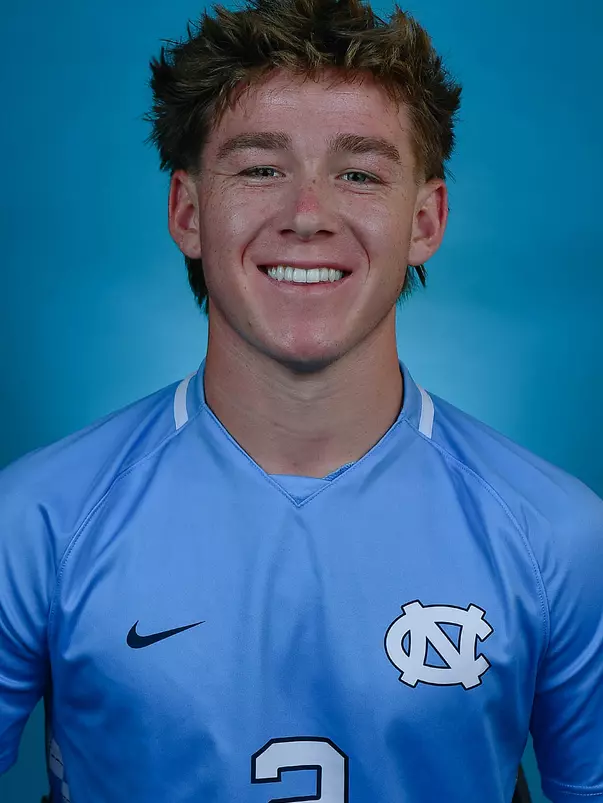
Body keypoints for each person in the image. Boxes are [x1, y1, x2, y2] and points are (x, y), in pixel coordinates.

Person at [0, 0, 601, 800]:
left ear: (425, 220)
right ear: (187, 212)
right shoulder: (38, 520)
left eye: (357, 173)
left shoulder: (557, 535)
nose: (307, 215)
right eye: (258, 168)